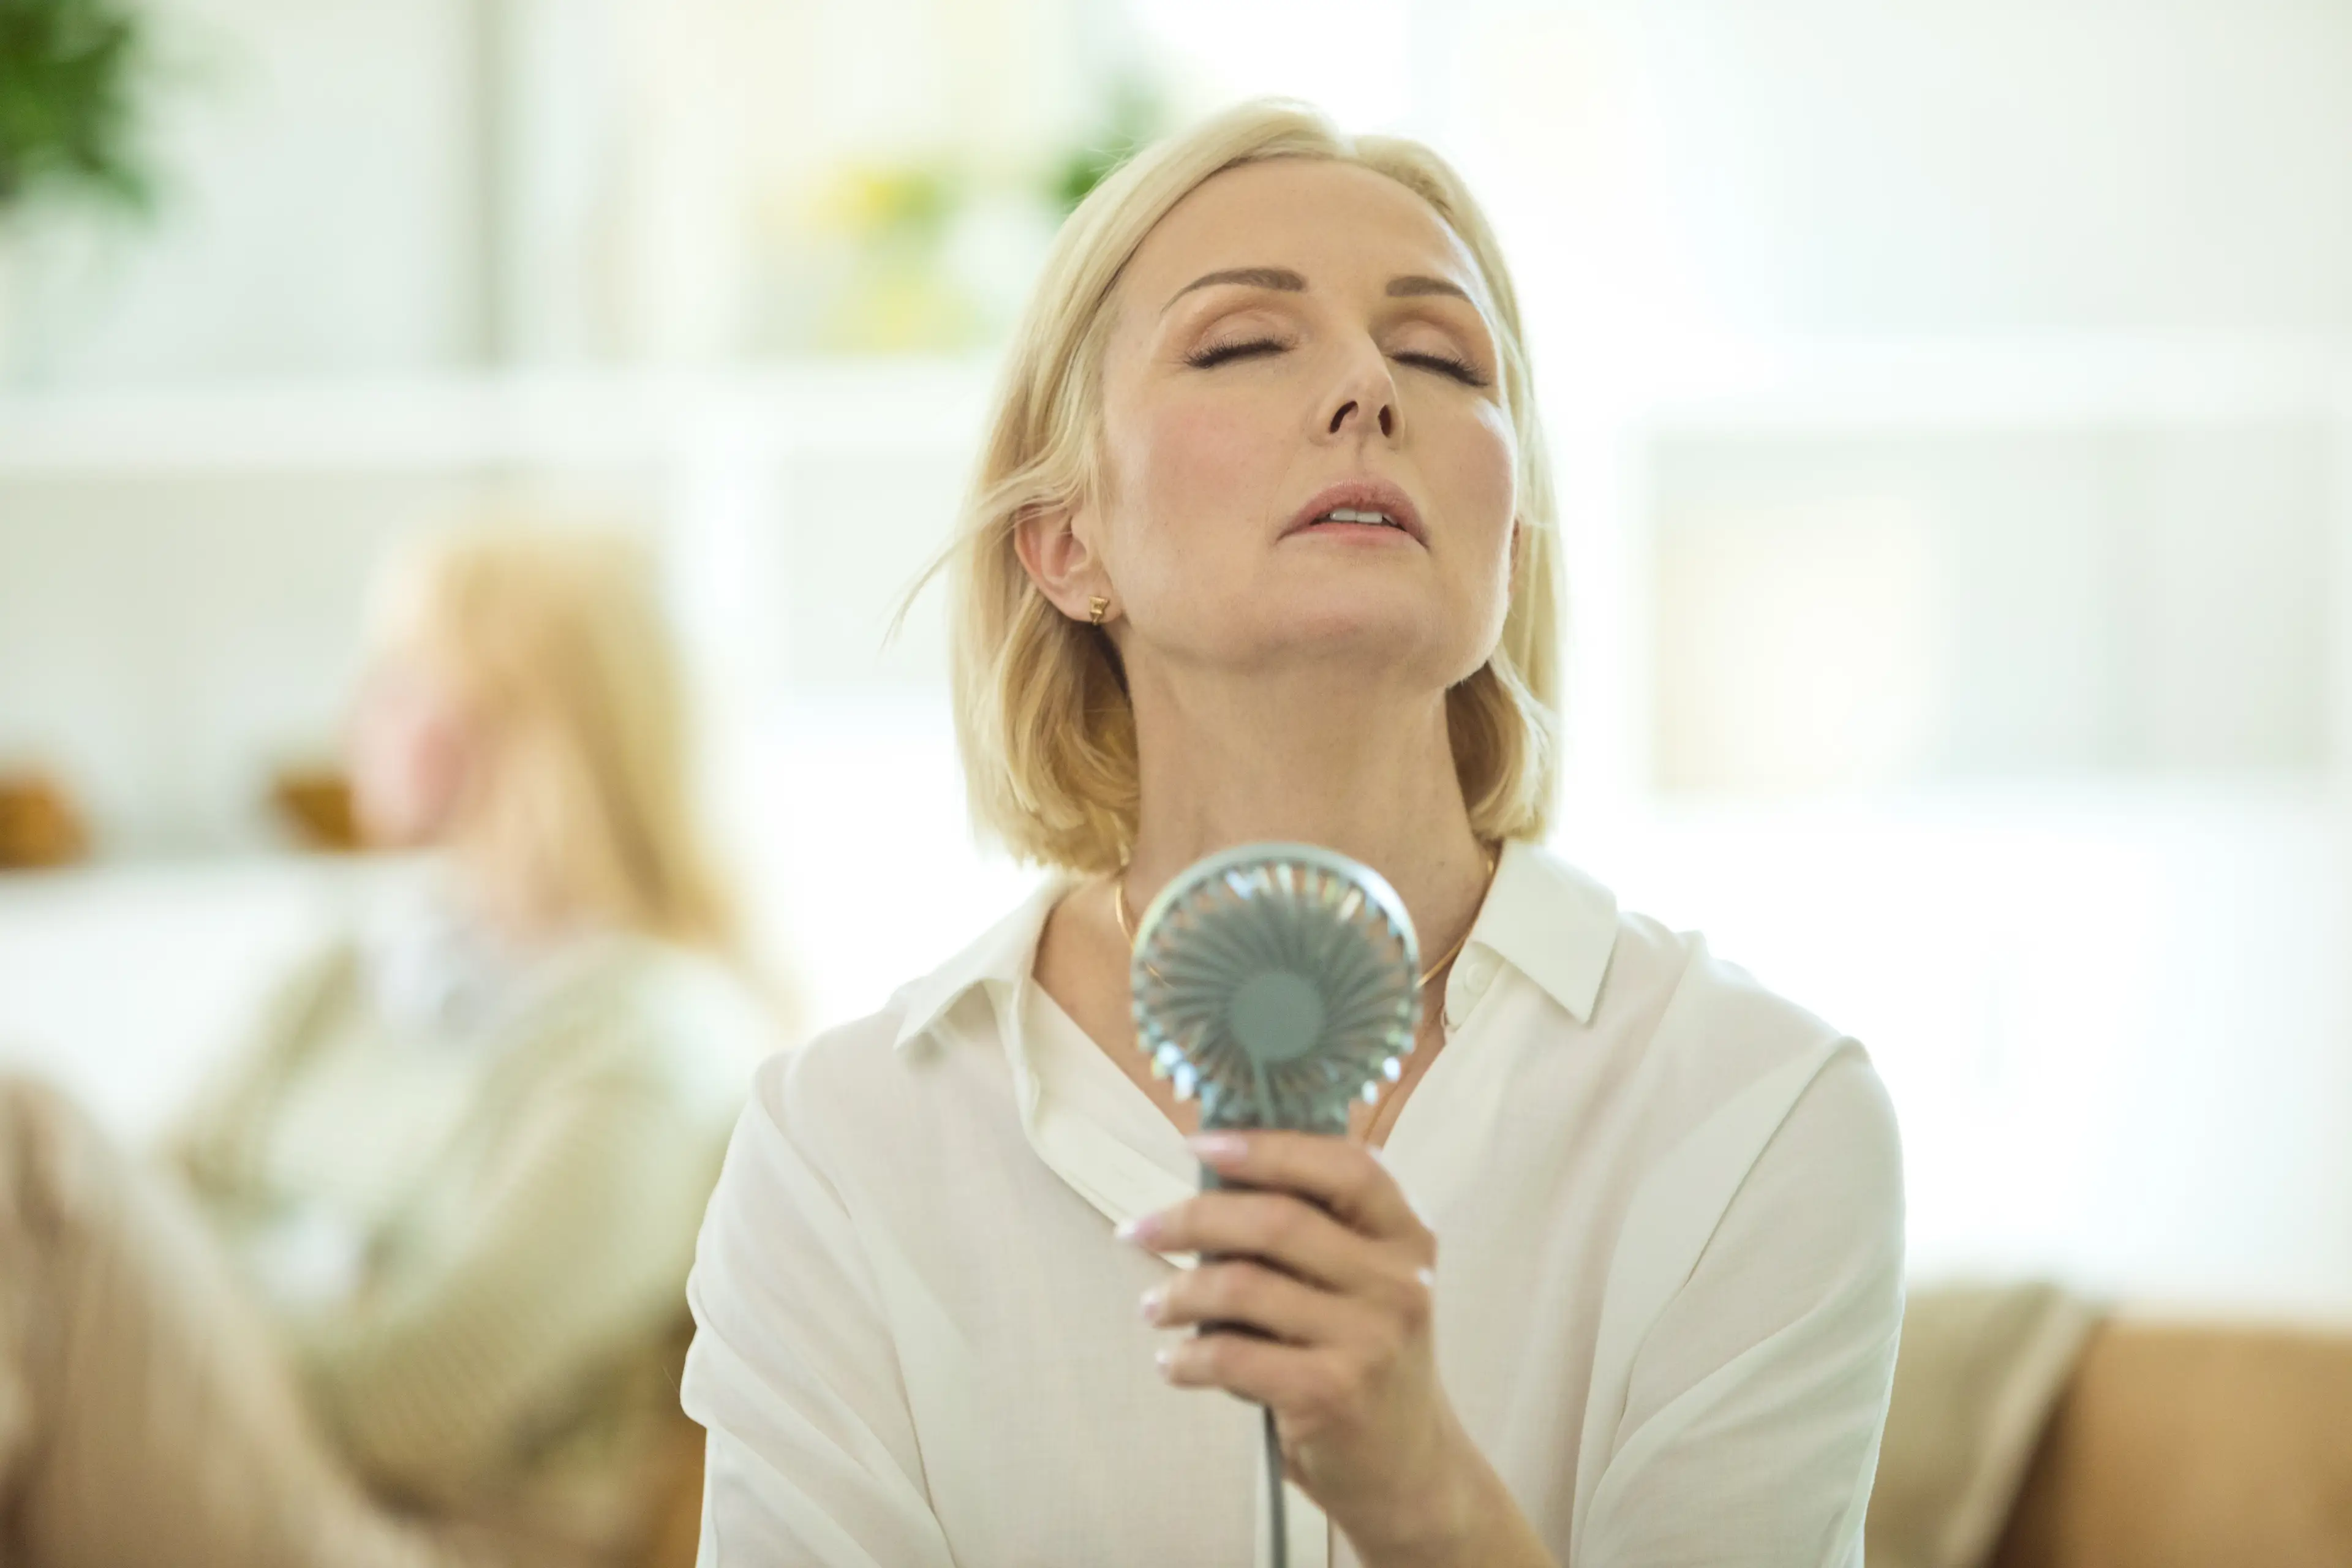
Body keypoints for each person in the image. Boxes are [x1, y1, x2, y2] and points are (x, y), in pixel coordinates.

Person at [681, 100, 1904, 1568]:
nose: (1368, 387)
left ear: (1508, 543)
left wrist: (1426, 1498)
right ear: (1068, 541)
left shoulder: (1753, 1111)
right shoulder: (844, 1154)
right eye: (1245, 342)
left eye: (1445, 358)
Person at [0, 522, 777, 1568]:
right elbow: (158, 1199)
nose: (351, 715)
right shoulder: (348, 979)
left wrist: (191, 1303)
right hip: (269, 1475)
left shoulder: (651, 1054)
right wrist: (309, 1278)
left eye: (401, 677)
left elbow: (410, 1404)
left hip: (418, 1537)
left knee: (29, 1141)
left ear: (523, 722)